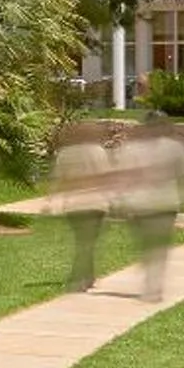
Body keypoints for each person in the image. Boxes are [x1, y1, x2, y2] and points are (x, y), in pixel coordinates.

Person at [112, 117, 184, 301]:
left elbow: (122, 178)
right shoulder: (174, 148)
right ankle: (154, 284)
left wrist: (119, 199)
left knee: (147, 245)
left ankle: (151, 281)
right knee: (159, 247)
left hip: (140, 204)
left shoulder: (131, 149)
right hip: (164, 204)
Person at [48, 120, 117, 292]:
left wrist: (50, 200)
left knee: (83, 241)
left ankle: (88, 276)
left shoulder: (64, 154)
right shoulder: (98, 151)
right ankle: (79, 278)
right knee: (88, 242)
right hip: (96, 203)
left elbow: (58, 180)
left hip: (74, 204)